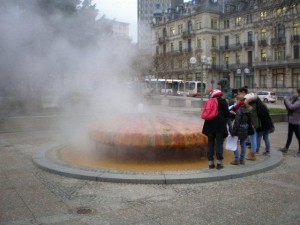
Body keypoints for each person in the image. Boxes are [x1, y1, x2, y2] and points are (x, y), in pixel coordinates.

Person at [202, 89, 230, 169]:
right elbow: (227, 114)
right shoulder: (223, 102)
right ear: (220, 95)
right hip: (220, 126)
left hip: (209, 125)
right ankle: (219, 163)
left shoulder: (209, 101)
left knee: (210, 144)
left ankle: (210, 163)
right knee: (219, 144)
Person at [229, 95, 254, 165]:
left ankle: (236, 159)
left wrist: (233, 132)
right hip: (245, 128)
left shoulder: (239, 110)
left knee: (234, 144)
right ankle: (242, 160)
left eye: (236, 100)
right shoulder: (248, 109)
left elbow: (237, 122)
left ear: (239, 101)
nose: (235, 102)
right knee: (243, 144)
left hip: (239, 129)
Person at [237, 88, 259, 161]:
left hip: (252, 124)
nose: (245, 101)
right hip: (254, 123)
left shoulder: (250, 107)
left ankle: (253, 155)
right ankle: (253, 154)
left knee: (253, 139)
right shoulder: (255, 104)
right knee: (253, 138)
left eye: (246, 99)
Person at [280, 88, 300, 157]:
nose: (293, 94)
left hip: (297, 122)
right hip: (291, 121)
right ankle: (286, 148)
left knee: (298, 137)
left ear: (299, 93)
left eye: (295, 92)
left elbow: (291, 107)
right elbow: (289, 107)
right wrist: (286, 102)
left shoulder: (299, 100)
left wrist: (286, 99)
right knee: (289, 136)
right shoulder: (296, 100)